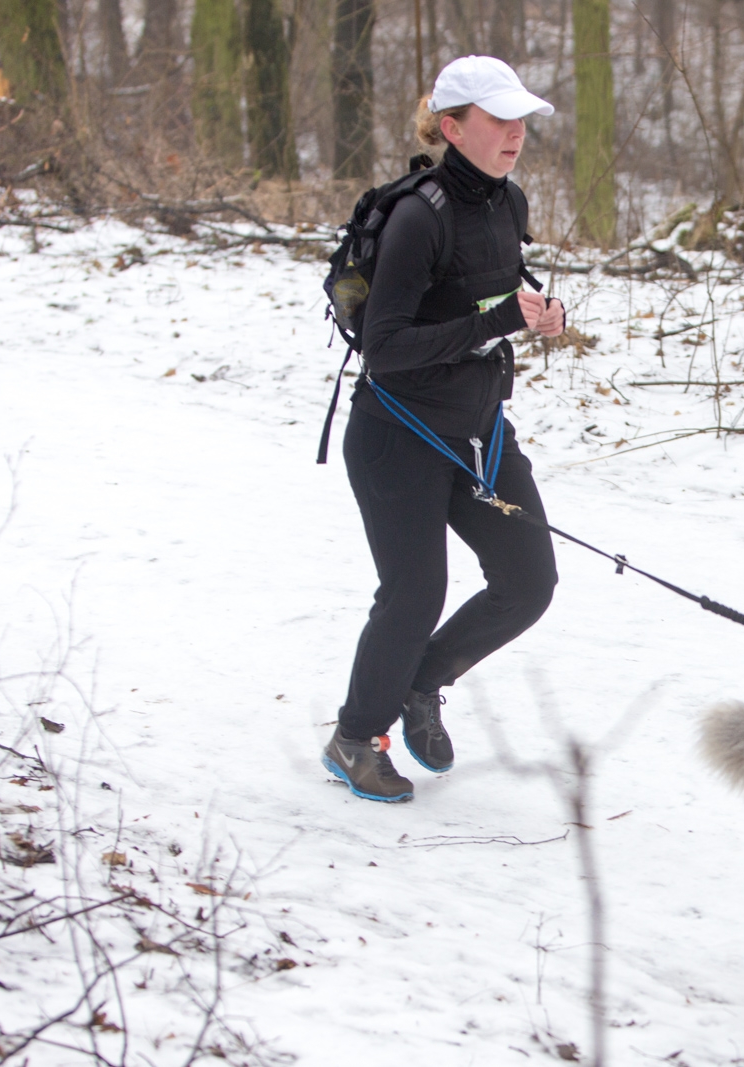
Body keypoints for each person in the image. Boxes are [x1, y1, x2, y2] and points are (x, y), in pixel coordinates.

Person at [323, 56, 566, 802]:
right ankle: (354, 738)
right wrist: (494, 322)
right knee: (416, 588)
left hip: (477, 430)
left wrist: (541, 314)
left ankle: (422, 679)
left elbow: (493, 294)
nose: (515, 134)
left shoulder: (508, 202)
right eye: (498, 121)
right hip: (398, 434)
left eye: (520, 119)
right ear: (452, 127)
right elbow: (387, 350)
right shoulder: (417, 216)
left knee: (529, 581)